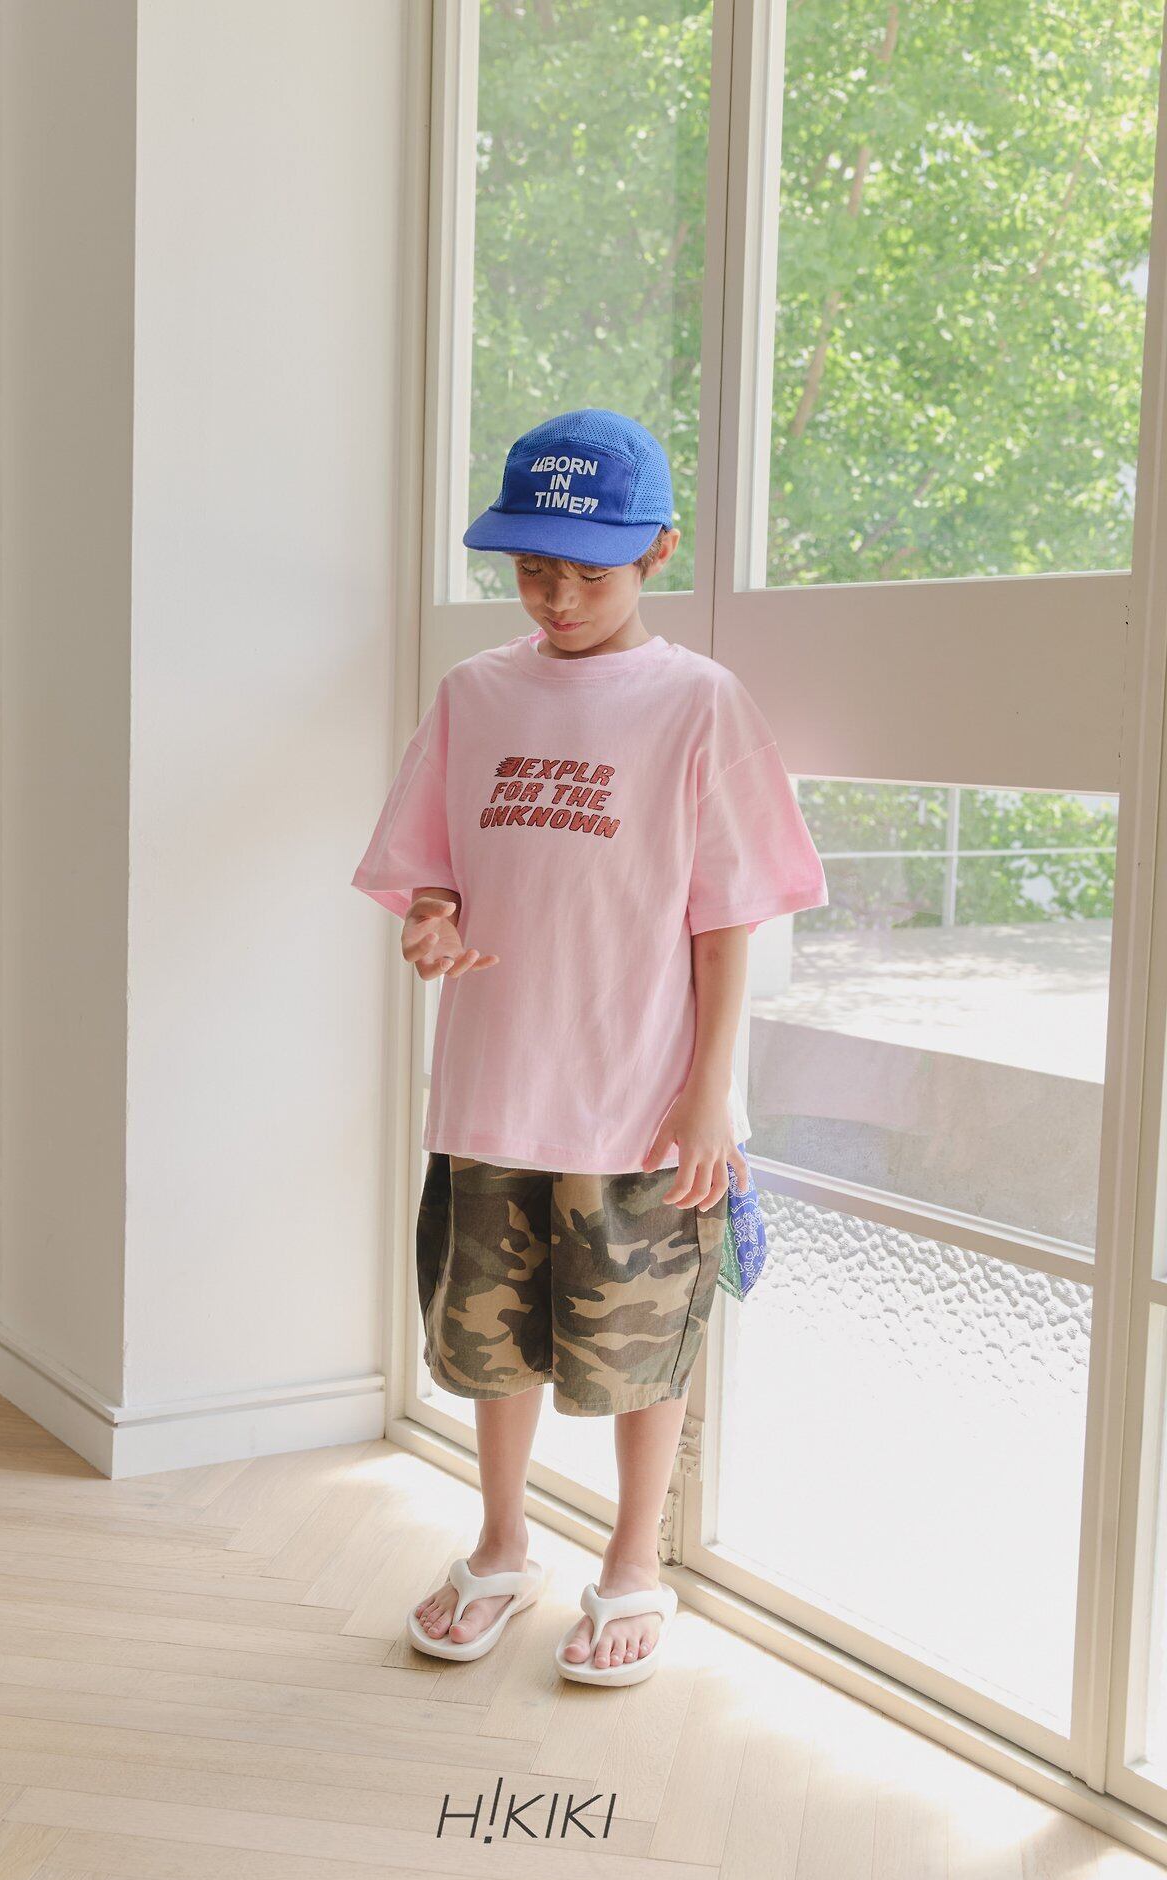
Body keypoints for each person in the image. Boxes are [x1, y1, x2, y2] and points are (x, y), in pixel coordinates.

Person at [351, 408, 827, 1685]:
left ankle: (631, 1567)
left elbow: (726, 921)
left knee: (637, 1349)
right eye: (531, 571)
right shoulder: (474, 694)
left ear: (658, 550)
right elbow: (433, 870)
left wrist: (707, 1096)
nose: (558, 598)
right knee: (488, 1341)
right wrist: (432, 920)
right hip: (493, 1087)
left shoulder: (698, 704)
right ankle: (500, 1546)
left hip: (640, 1099)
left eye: (588, 572)